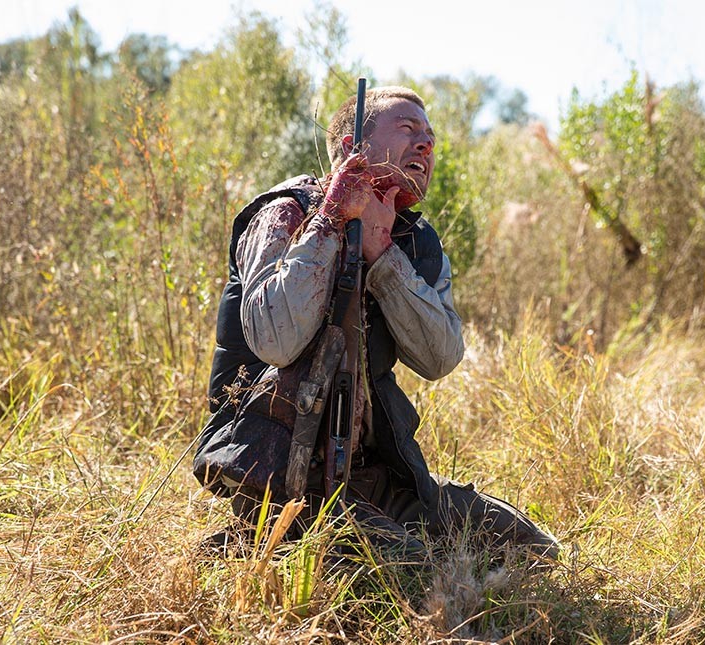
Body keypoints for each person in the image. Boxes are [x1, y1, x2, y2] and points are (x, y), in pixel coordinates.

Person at [193, 86, 558, 560]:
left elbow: (440, 358)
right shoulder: (287, 212)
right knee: (416, 571)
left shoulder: (413, 244)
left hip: (367, 474)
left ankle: (302, 543)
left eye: (429, 136)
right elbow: (274, 340)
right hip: (277, 469)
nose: (425, 145)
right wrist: (330, 221)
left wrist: (383, 254)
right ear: (351, 149)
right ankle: (248, 546)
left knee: (532, 549)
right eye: (407, 129)